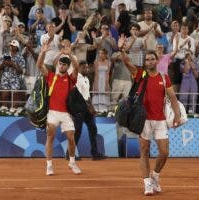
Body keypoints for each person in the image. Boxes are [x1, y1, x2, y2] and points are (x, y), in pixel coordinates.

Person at [121, 49, 181, 196]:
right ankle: (147, 183)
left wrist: (177, 116)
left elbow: (172, 97)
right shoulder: (140, 74)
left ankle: (155, 175)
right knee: (144, 151)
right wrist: (122, 50)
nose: (150, 62)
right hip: (143, 120)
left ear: (157, 61)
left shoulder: (164, 77)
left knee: (164, 152)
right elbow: (126, 62)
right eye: (147, 60)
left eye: (152, 59)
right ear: (145, 62)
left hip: (160, 120)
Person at [36, 39, 81, 176]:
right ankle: (49, 165)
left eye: (64, 65)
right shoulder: (50, 76)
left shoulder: (71, 79)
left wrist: (71, 54)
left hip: (66, 113)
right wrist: (43, 52)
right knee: (50, 137)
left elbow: (77, 68)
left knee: (71, 138)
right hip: (52, 112)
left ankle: (72, 162)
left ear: (67, 67)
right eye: (60, 64)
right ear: (58, 65)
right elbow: (39, 65)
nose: (62, 66)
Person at [72, 60, 107, 160]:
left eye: (87, 67)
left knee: (93, 129)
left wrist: (92, 108)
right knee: (77, 131)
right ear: (79, 68)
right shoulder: (76, 79)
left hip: (86, 108)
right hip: (78, 108)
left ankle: (94, 153)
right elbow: (79, 96)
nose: (86, 69)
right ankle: (69, 154)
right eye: (84, 67)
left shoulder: (86, 79)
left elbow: (87, 96)